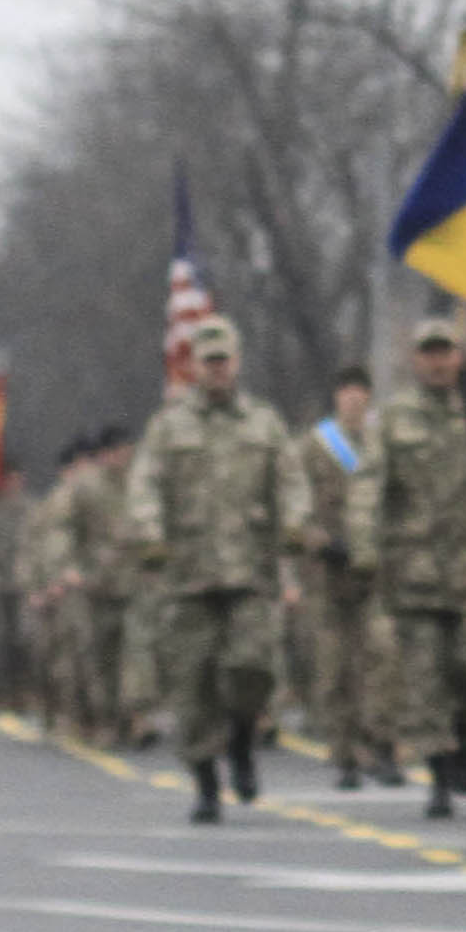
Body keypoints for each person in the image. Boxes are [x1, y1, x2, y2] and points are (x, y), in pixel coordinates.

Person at [131, 317, 312, 820]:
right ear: (193, 366)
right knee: (192, 683)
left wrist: (294, 524)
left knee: (253, 667)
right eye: (207, 361)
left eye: (224, 360)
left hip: (250, 570)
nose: (217, 369)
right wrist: (150, 534)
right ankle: (206, 783)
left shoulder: (263, 423)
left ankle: (241, 739)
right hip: (188, 574)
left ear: (236, 363)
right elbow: (144, 484)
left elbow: (290, 481)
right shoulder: (169, 427)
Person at [364, 318, 466, 816]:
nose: (437, 361)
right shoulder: (393, 417)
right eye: (428, 352)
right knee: (425, 678)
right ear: (415, 359)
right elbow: (369, 483)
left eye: (445, 352)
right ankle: (440, 769)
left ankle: (465, 729)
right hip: (415, 571)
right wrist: (365, 546)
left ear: (460, 357)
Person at [297, 370, 390, 787]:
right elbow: (296, 503)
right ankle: (345, 752)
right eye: (346, 392)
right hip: (328, 573)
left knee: (380, 660)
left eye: (360, 393)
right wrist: (316, 540)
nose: (353, 401)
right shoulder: (315, 447)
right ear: (336, 397)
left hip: (378, 570)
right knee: (335, 668)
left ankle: (382, 744)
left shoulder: (383, 440)